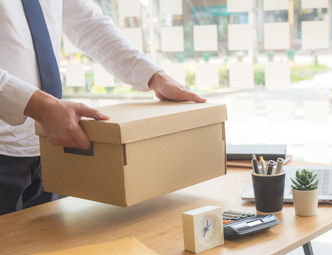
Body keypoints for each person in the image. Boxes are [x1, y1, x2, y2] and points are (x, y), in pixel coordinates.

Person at [0, 0, 206, 215]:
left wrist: (153, 75)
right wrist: (38, 105)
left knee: (46, 245)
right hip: (4, 147)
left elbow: (88, 23)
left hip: (49, 146)